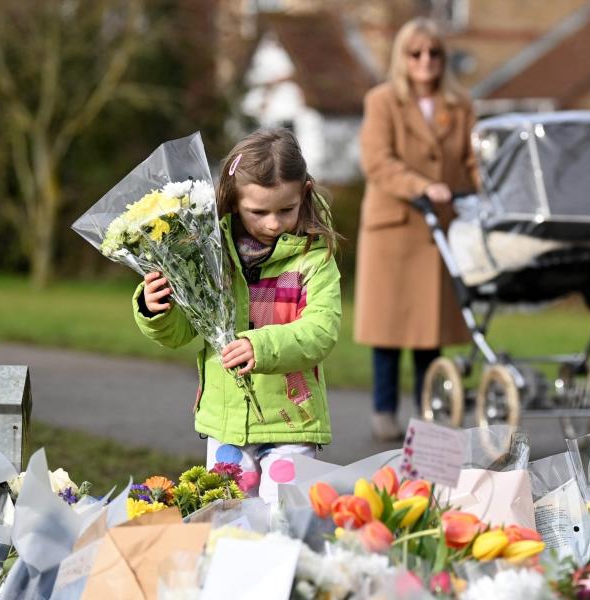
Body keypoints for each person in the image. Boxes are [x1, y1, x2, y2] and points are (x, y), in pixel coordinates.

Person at [134, 129, 342, 502]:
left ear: (305, 194)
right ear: (231, 203)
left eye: (286, 210)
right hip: (227, 424)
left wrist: (259, 346)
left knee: (284, 514)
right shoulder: (209, 253)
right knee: (229, 515)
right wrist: (156, 307)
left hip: (292, 423)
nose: (274, 223)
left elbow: (321, 331)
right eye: (258, 212)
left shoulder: (314, 258)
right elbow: (181, 333)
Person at [354, 17, 479, 442]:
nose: (426, 61)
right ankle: (383, 411)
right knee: (388, 331)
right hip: (395, 228)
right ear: (403, 58)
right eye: (416, 53)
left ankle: (430, 413)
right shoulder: (382, 101)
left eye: (434, 53)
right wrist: (423, 186)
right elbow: (378, 161)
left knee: (431, 332)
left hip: (438, 230)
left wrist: (488, 188)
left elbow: (472, 162)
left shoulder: (461, 107)